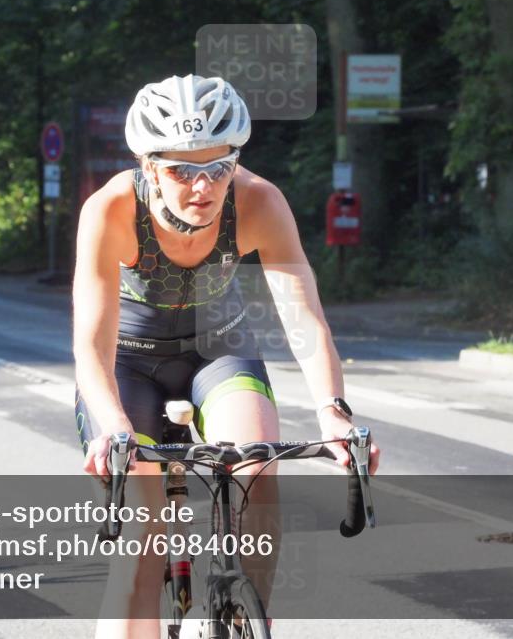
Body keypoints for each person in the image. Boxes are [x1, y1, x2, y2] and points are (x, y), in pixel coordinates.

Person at [72, 74, 381, 638]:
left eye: (219, 166)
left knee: (255, 469)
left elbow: (303, 317)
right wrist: (113, 428)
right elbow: (90, 344)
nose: (202, 185)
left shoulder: (259, 200)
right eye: (182, 169)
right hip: (129, 364)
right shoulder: (110, 209)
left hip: (221, 352)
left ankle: (245, 619)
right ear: (148, 166)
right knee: (146, 538)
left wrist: (334, 414)